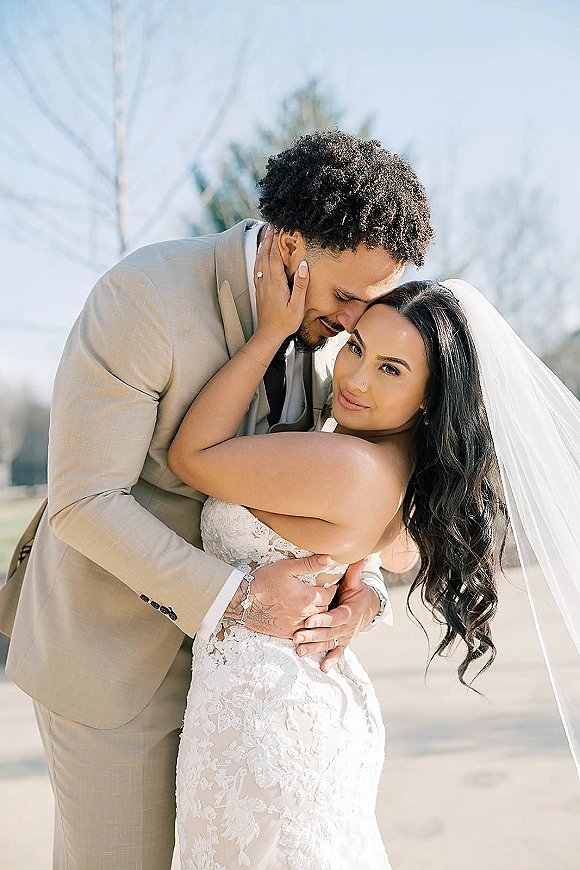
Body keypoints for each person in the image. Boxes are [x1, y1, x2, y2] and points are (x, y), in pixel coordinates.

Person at [0, 131, 433, 869]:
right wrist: (236, 599)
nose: (356, 326)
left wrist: (362, 592)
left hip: (246, 693)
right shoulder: (145, 296)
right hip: (113, 661)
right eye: (346, 300)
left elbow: (338, 493)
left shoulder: (334, 336)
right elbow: (83, 501)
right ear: (292, 243)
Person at [167, 237, 508, 868]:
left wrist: (271, 332)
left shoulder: (347, 464)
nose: (353, 377)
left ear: (431, 398)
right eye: (356, 348)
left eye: (392, 370)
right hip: (305, 701)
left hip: (266, 716)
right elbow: (389, 559)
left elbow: (191, 457)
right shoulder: (402, 466)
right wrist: (362, 603)